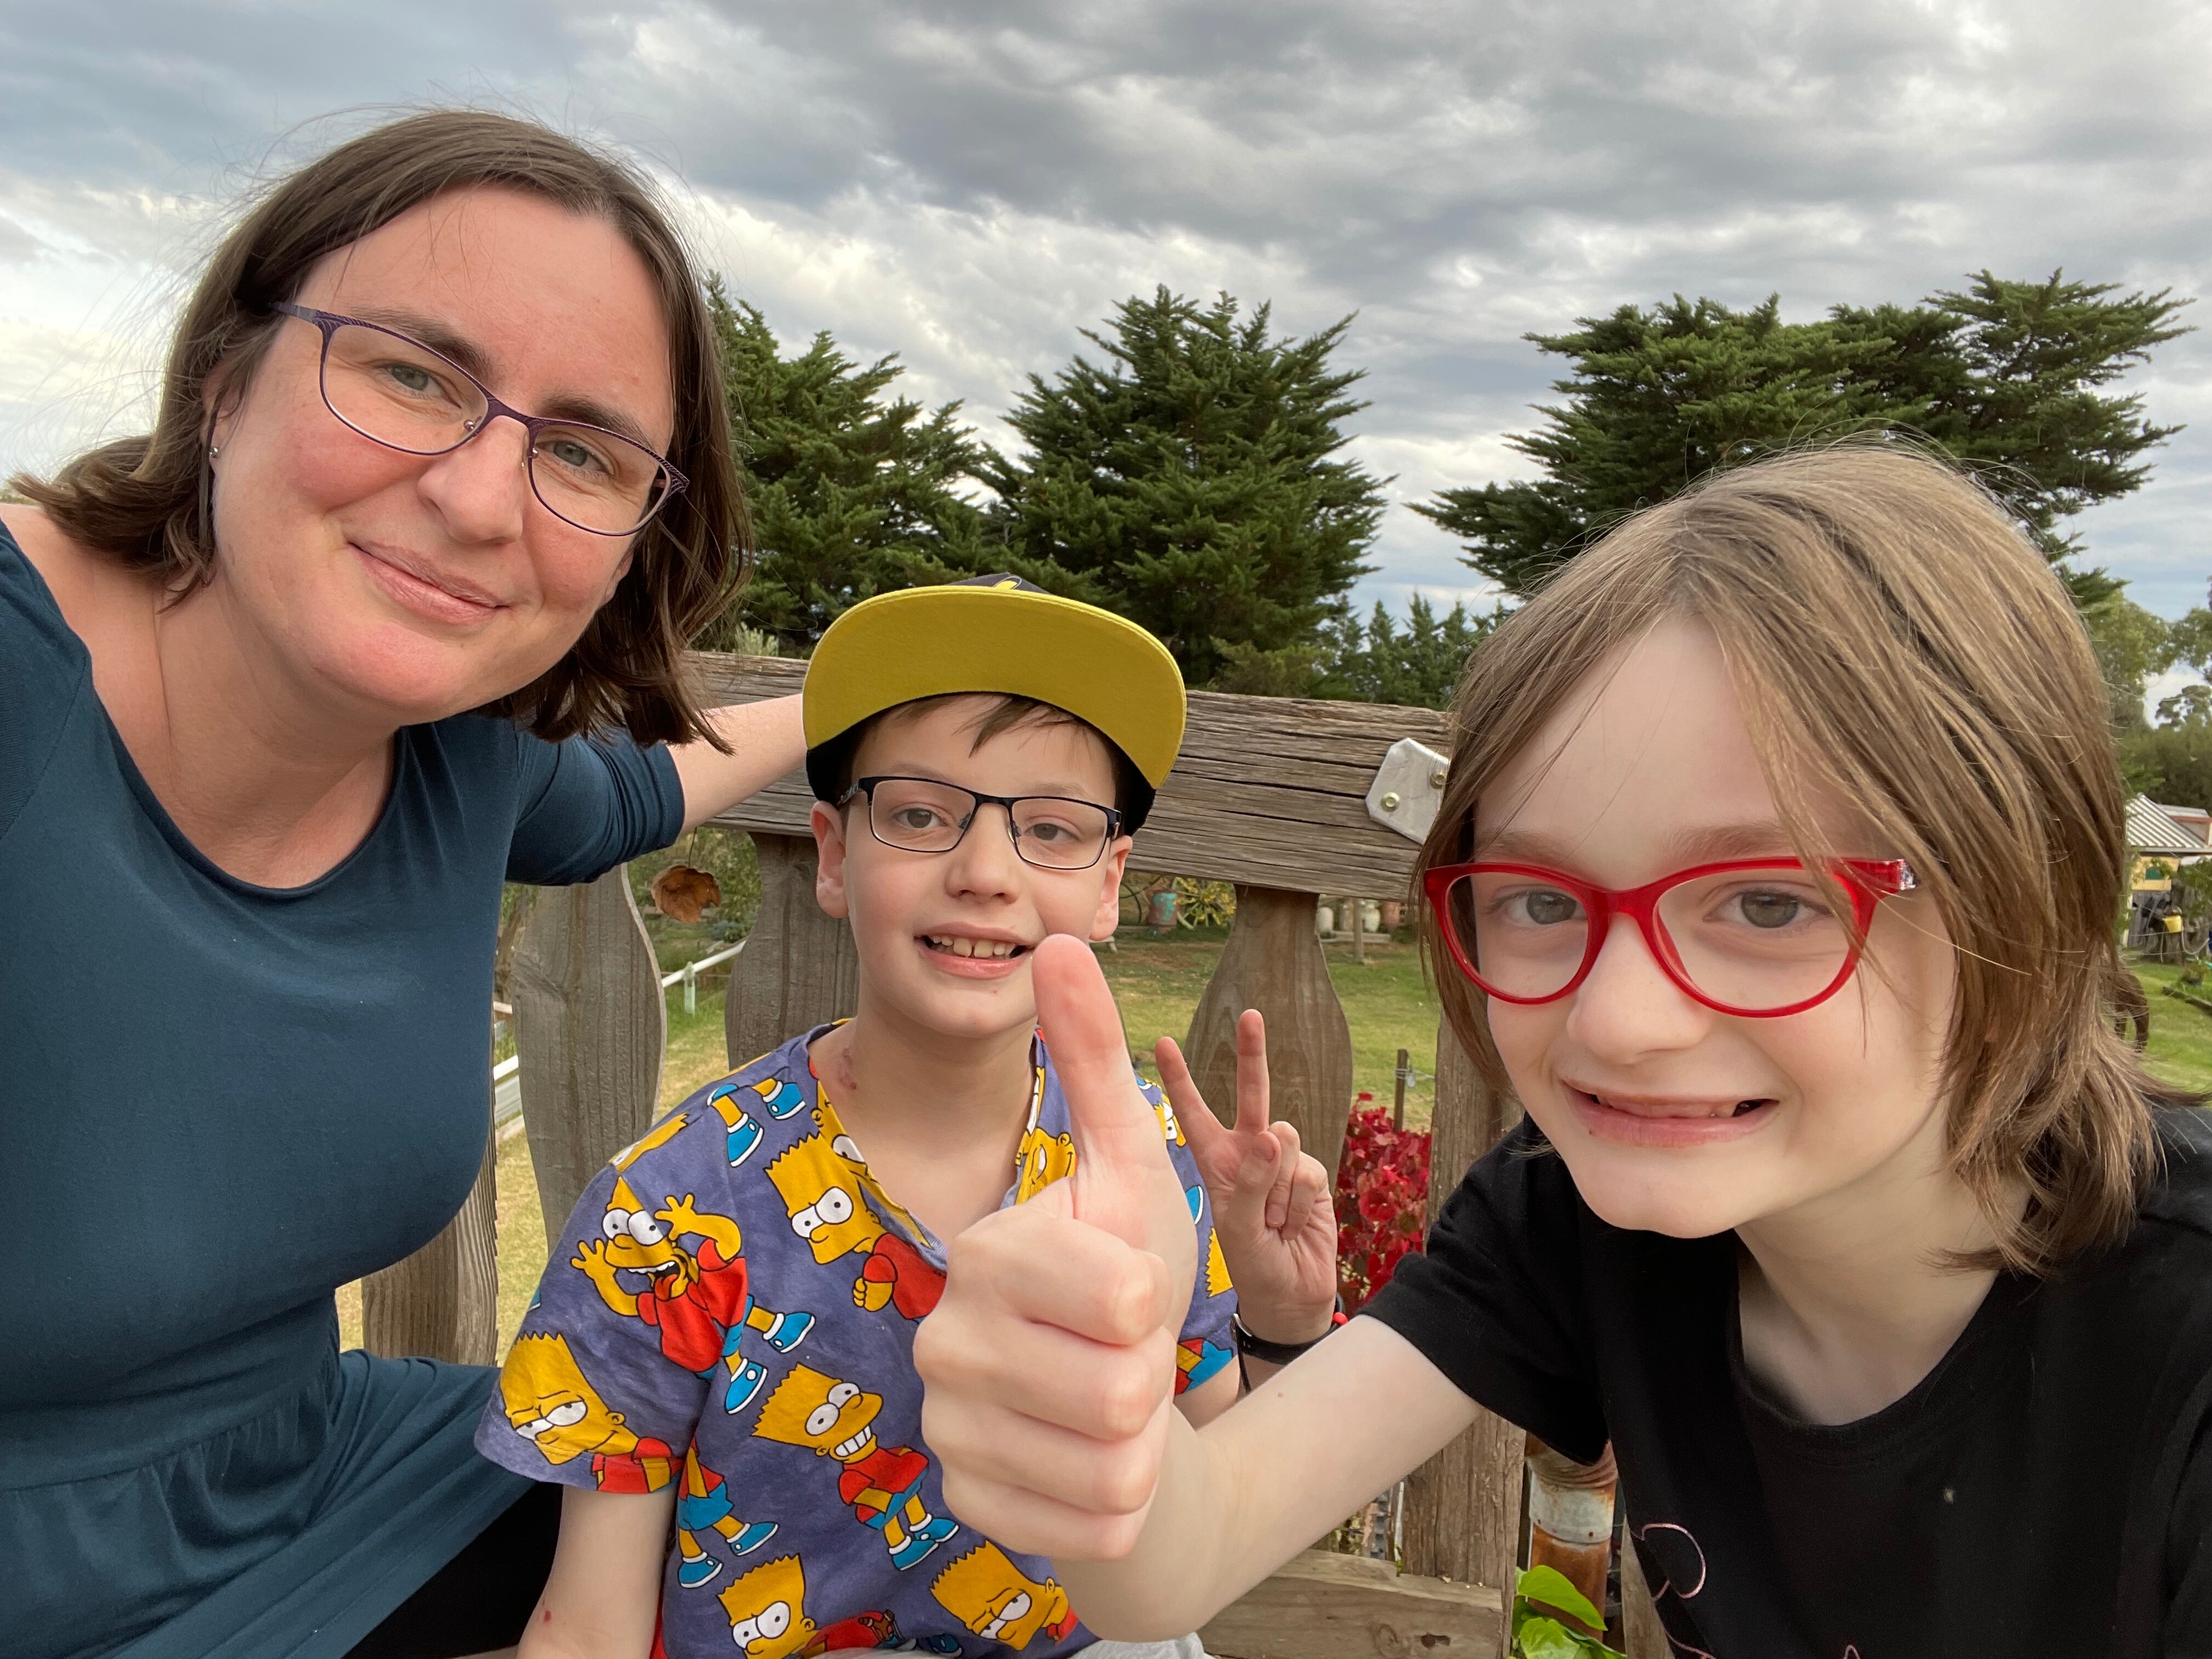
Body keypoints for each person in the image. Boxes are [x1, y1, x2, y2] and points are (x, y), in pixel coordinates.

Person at [912, 445, 2212, 1658]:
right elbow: (1183, 1559)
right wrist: (1102, 1437)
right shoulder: (1570, 1223)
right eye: (1539, 900)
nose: (1616, 1023)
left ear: (2026, 896)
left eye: (1771, 901)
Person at [0, 110, 808, 1658]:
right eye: (413, 375)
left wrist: (873, 695)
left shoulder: (457, 760)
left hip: (329, 1505)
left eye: (580, 448)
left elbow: (639, 789)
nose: (482, 498)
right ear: (228, 375)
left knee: (794, 1496)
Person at [475, 574, 1339, 1659]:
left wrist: (1280, 1323)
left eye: (1053, 830)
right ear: (837, 855)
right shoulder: (674, 1212)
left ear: (1111, 885)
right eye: (922, 814)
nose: (984, 872)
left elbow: (1224, 1505)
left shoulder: (1147, 1166)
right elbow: (587, 1628)